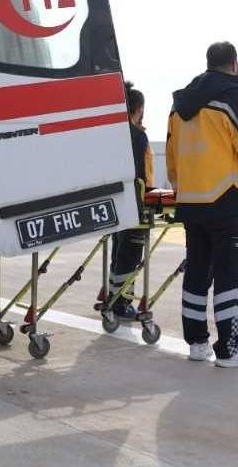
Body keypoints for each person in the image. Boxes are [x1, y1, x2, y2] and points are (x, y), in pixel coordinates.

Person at [166, 41, 238, 368]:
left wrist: (183, 191)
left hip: (192, 202)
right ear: (235, 64)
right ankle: (230, 349)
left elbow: (173, 160)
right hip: (228, 203)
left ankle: (197, 343)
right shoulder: (234, 99)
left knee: (198, 271)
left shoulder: (179, 106)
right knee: (231, 274)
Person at [108, 81, 154, 319]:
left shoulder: (112, 133)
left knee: (118, 251)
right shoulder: (138, 136)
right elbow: (144, 174)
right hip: (135, 203)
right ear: (138, 109)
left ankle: (112, 295)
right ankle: (121, 303)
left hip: (114, 203)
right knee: (131, 254)